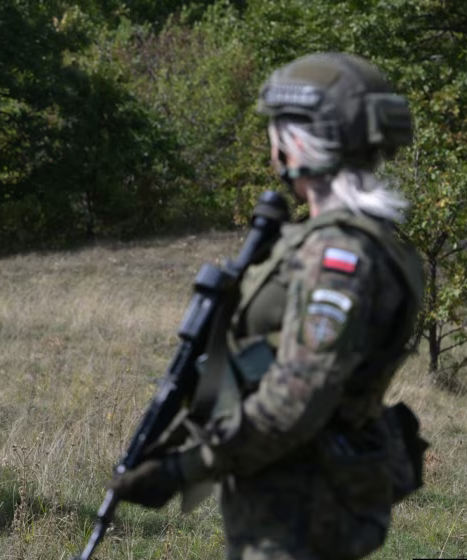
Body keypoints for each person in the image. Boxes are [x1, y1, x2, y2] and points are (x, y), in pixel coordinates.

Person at [107, 52, 425, 559]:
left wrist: (182, 468)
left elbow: (297, 399)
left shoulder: (337, 256)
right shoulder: (356, 242)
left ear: (299, 143)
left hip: (300, 509)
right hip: (300, 498)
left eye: (277, 132)